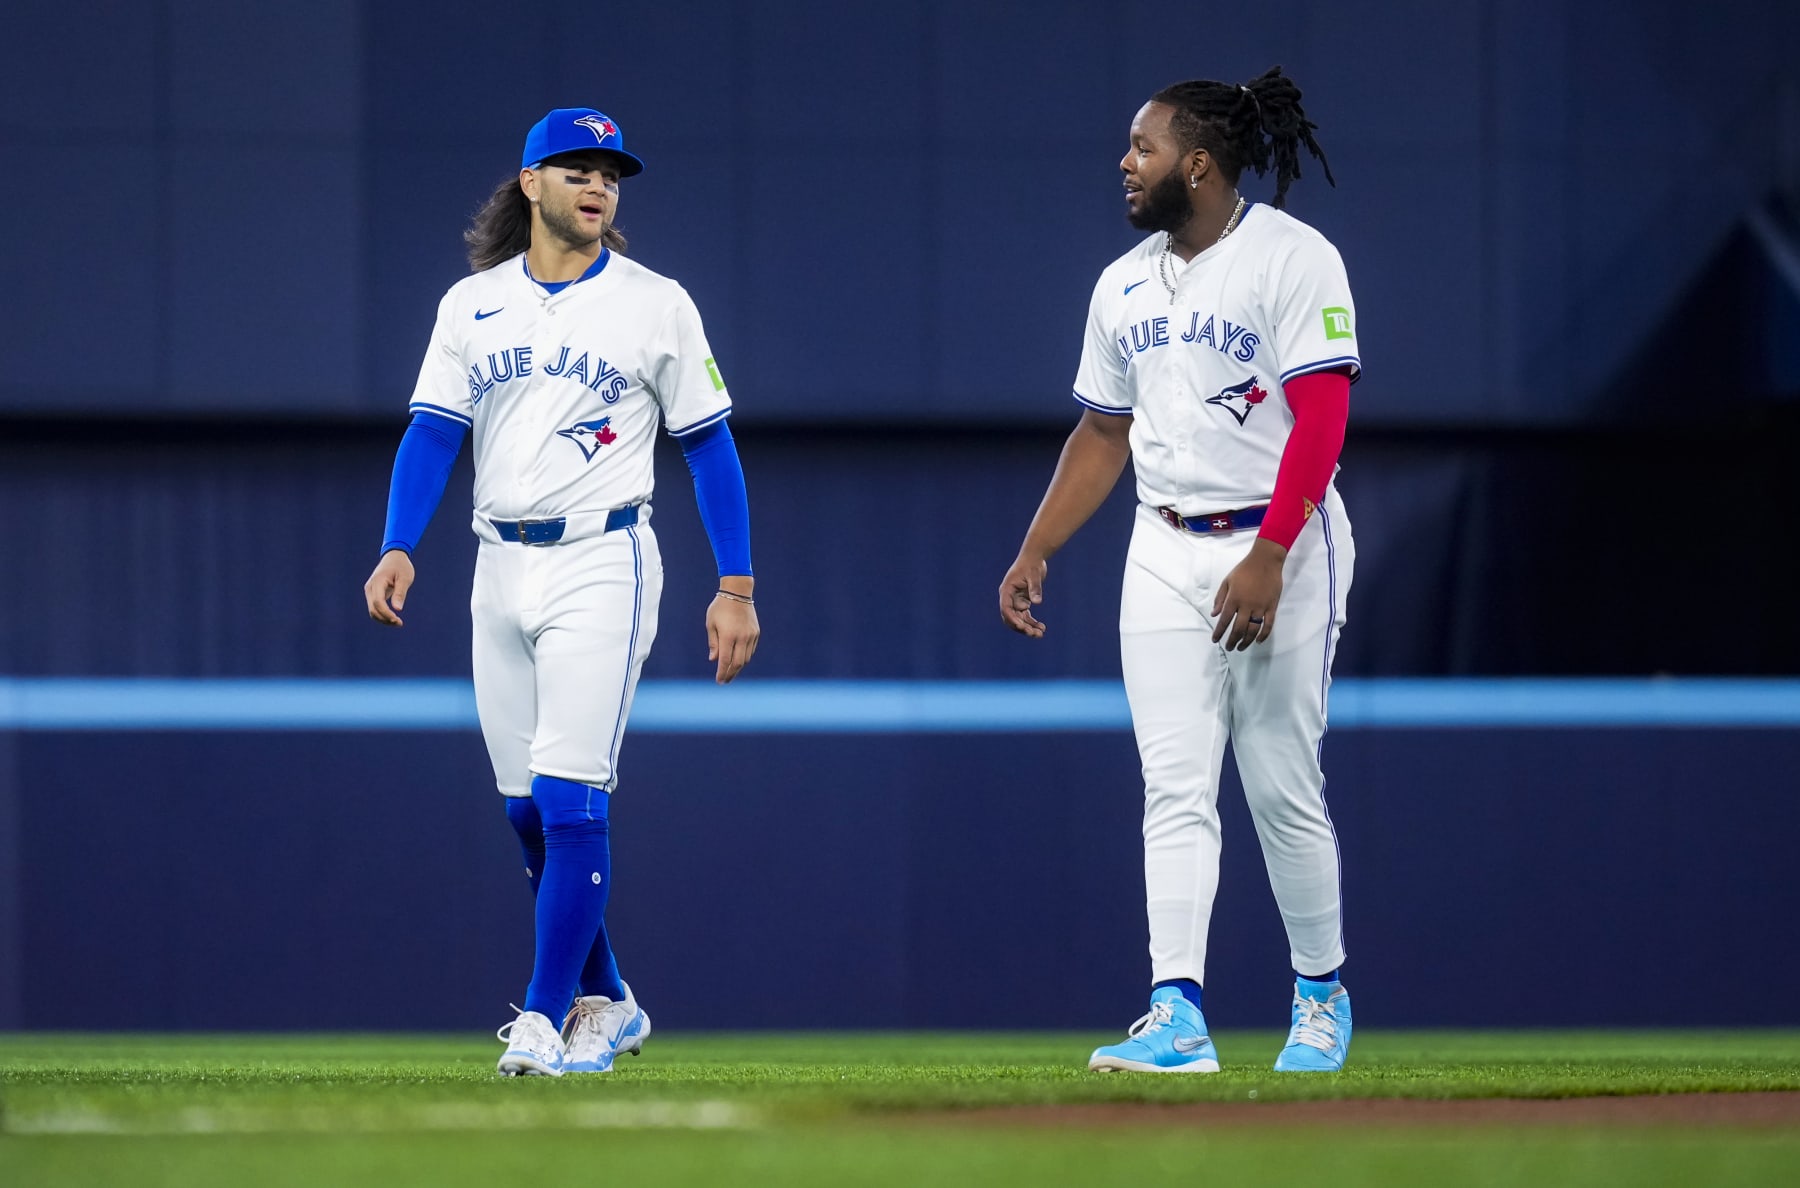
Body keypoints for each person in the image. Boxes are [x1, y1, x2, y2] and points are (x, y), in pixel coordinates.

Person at [363, 107, 759, 1076]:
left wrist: (736, 584)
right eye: (576, 168)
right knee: (525, 811)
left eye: (610, 173)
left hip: (604, 557)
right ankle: (610, 997)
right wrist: (398, 543)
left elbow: (709, 446)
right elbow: (432, 431)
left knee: (571, 793)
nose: (597, 185)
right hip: (497, 562)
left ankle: (543, 1019)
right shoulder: (472, 305)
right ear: (530, 182)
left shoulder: (656, 302)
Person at [998, 67, 1358, 1073]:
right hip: (1162, 543)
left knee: (1280, 782)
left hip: (1279, 539)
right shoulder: (1121, 283)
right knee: (1174, 786)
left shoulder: (1293, 257)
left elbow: (1322, 418)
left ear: (1196, 162)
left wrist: (1273, 553)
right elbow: (1103, 433)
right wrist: (1038, 546)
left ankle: (1320, 995)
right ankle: (1177, 1014)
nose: (1126, 162)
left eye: (1143, 147)